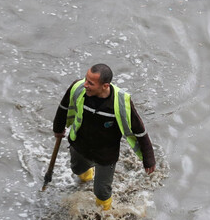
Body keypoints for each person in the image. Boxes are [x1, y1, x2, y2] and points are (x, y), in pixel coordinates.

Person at [52, 64, 156, 210]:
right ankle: (86, 177)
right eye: (86, 79)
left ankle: (104, 215)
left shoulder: (121, 102)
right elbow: (64, 107)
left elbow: (139, 130)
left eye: (90, 83)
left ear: (105, 86)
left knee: (102, 191)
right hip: (80, 145)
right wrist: (58, 128)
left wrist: (148, 158)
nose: (85, 84)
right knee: (77, 169)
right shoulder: (78, 88)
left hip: (106, 154)